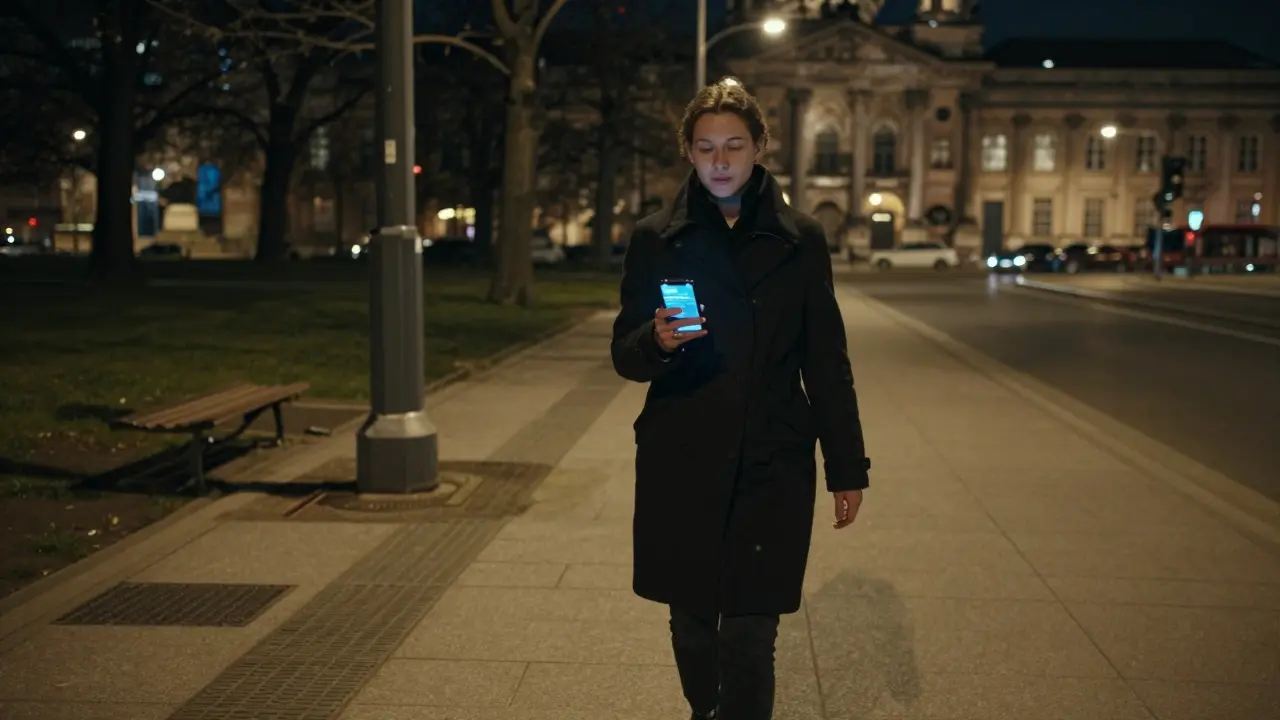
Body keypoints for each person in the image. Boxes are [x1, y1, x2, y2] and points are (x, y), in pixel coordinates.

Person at [609, 78, 872, 720]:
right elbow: (624, 354)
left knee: (752, 632)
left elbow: (826, 360)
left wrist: (846, 467)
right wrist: (658, 340)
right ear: (690, 154)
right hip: (684, 454)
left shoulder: (800, 239)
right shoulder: (655, 238)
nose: (720, 161)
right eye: (706, 148)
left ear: (760, 148)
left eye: (733, 145)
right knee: (694, 623)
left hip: (771, 456)